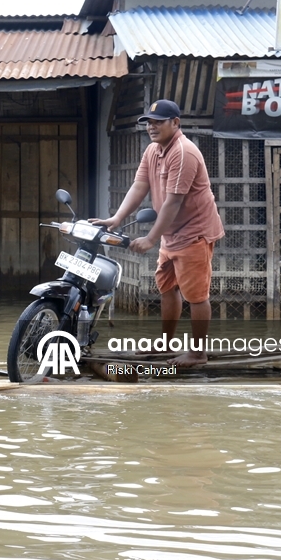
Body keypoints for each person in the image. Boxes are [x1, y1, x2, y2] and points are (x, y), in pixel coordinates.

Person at [92, 100, 224, 367]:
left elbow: (173, 202)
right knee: (167, 287)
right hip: (172, 233)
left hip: (194, 232)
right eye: (149, 122)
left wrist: (151, 238)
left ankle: (198, 353)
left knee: (196, 295)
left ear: (175, 123)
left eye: (158, 122)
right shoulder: (153, 150)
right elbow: (139, 186)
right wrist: (117, 218)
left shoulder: (183, 152)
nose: (152, 127)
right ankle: (166, 344)